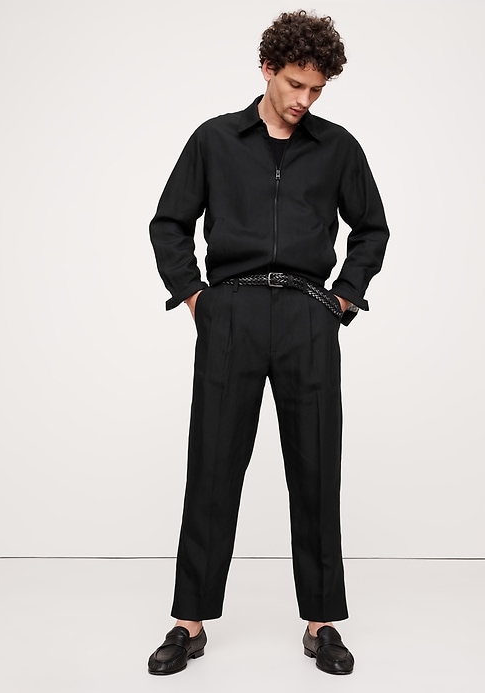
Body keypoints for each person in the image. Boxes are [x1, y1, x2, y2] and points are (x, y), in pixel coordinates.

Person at [147, 9, 389, 677]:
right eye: (294, 84)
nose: (304, 99)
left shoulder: (338, 148)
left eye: (317, 89)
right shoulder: (215, 140)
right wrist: (197, 297)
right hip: (232, 312)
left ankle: (322, 622)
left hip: (308, 315)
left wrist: (343, 298)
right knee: (213, 464)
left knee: (316, 466)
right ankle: (189, 621)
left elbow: (371, 228)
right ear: (267, 69)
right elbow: (169, 223)